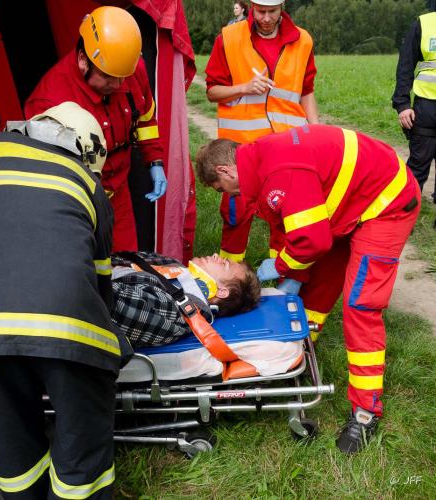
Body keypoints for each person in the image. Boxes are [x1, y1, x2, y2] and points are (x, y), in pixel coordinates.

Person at [194, 124, 421, 454]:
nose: (229, 196)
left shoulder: (279, 172)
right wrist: (292, 269)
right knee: (316, 290)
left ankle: (366, 411)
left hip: (386, 203)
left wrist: (284, 267)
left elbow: (312, 241)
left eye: (221, 188)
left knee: (361, 305)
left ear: (225, 170)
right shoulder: (258, 165)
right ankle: (292, 356)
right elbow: (289, 228)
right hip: (349, 205)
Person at [0, 101, 128, 499]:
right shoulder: (91, 187)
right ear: (85, 153)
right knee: (84, 461)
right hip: (68, 329)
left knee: (13, 461)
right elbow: (100, 286)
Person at [24, 6, 167, 253]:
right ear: (83, 60)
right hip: (74, 201)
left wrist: (154, 160)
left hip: (118, 190)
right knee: (82, 267)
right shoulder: (49, 100)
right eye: (109, 77)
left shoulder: (130, 70)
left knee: (126, 262)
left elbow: (145, 118)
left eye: (123, 77)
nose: (119, 84)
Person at [205, 0, 319, 262]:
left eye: (272, 12)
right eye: (260, 12)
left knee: (285, 211)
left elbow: (307, 91)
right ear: (250, 8)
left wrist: (315, 130)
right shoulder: (228, 37)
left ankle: (280, 272)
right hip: (241, 149)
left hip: (286, 146)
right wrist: (243, 87)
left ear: (282, 7)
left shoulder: (303, 40)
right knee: (236, 213)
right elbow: (212, 91)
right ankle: (229, 274)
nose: (266, 18)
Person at [111, 252, 260, 347]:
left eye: (224, 263)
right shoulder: (172, 264)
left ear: (221, 291)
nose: (215, 255)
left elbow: (109, 302)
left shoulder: (177, 314)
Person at [392, 10, 436, 216]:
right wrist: (402, 104)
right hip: (426, 107)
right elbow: (405, 65)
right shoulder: (425, 23)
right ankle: (403, 215)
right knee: (418, 164)